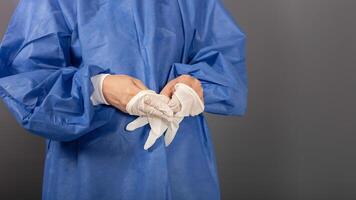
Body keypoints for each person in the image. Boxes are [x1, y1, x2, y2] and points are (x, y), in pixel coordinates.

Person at [0, 0, 248, 199]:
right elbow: (26, 79)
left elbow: (224, 54)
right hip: (93, 166)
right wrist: (98, 88)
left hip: (180, 160)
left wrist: (195, 86)